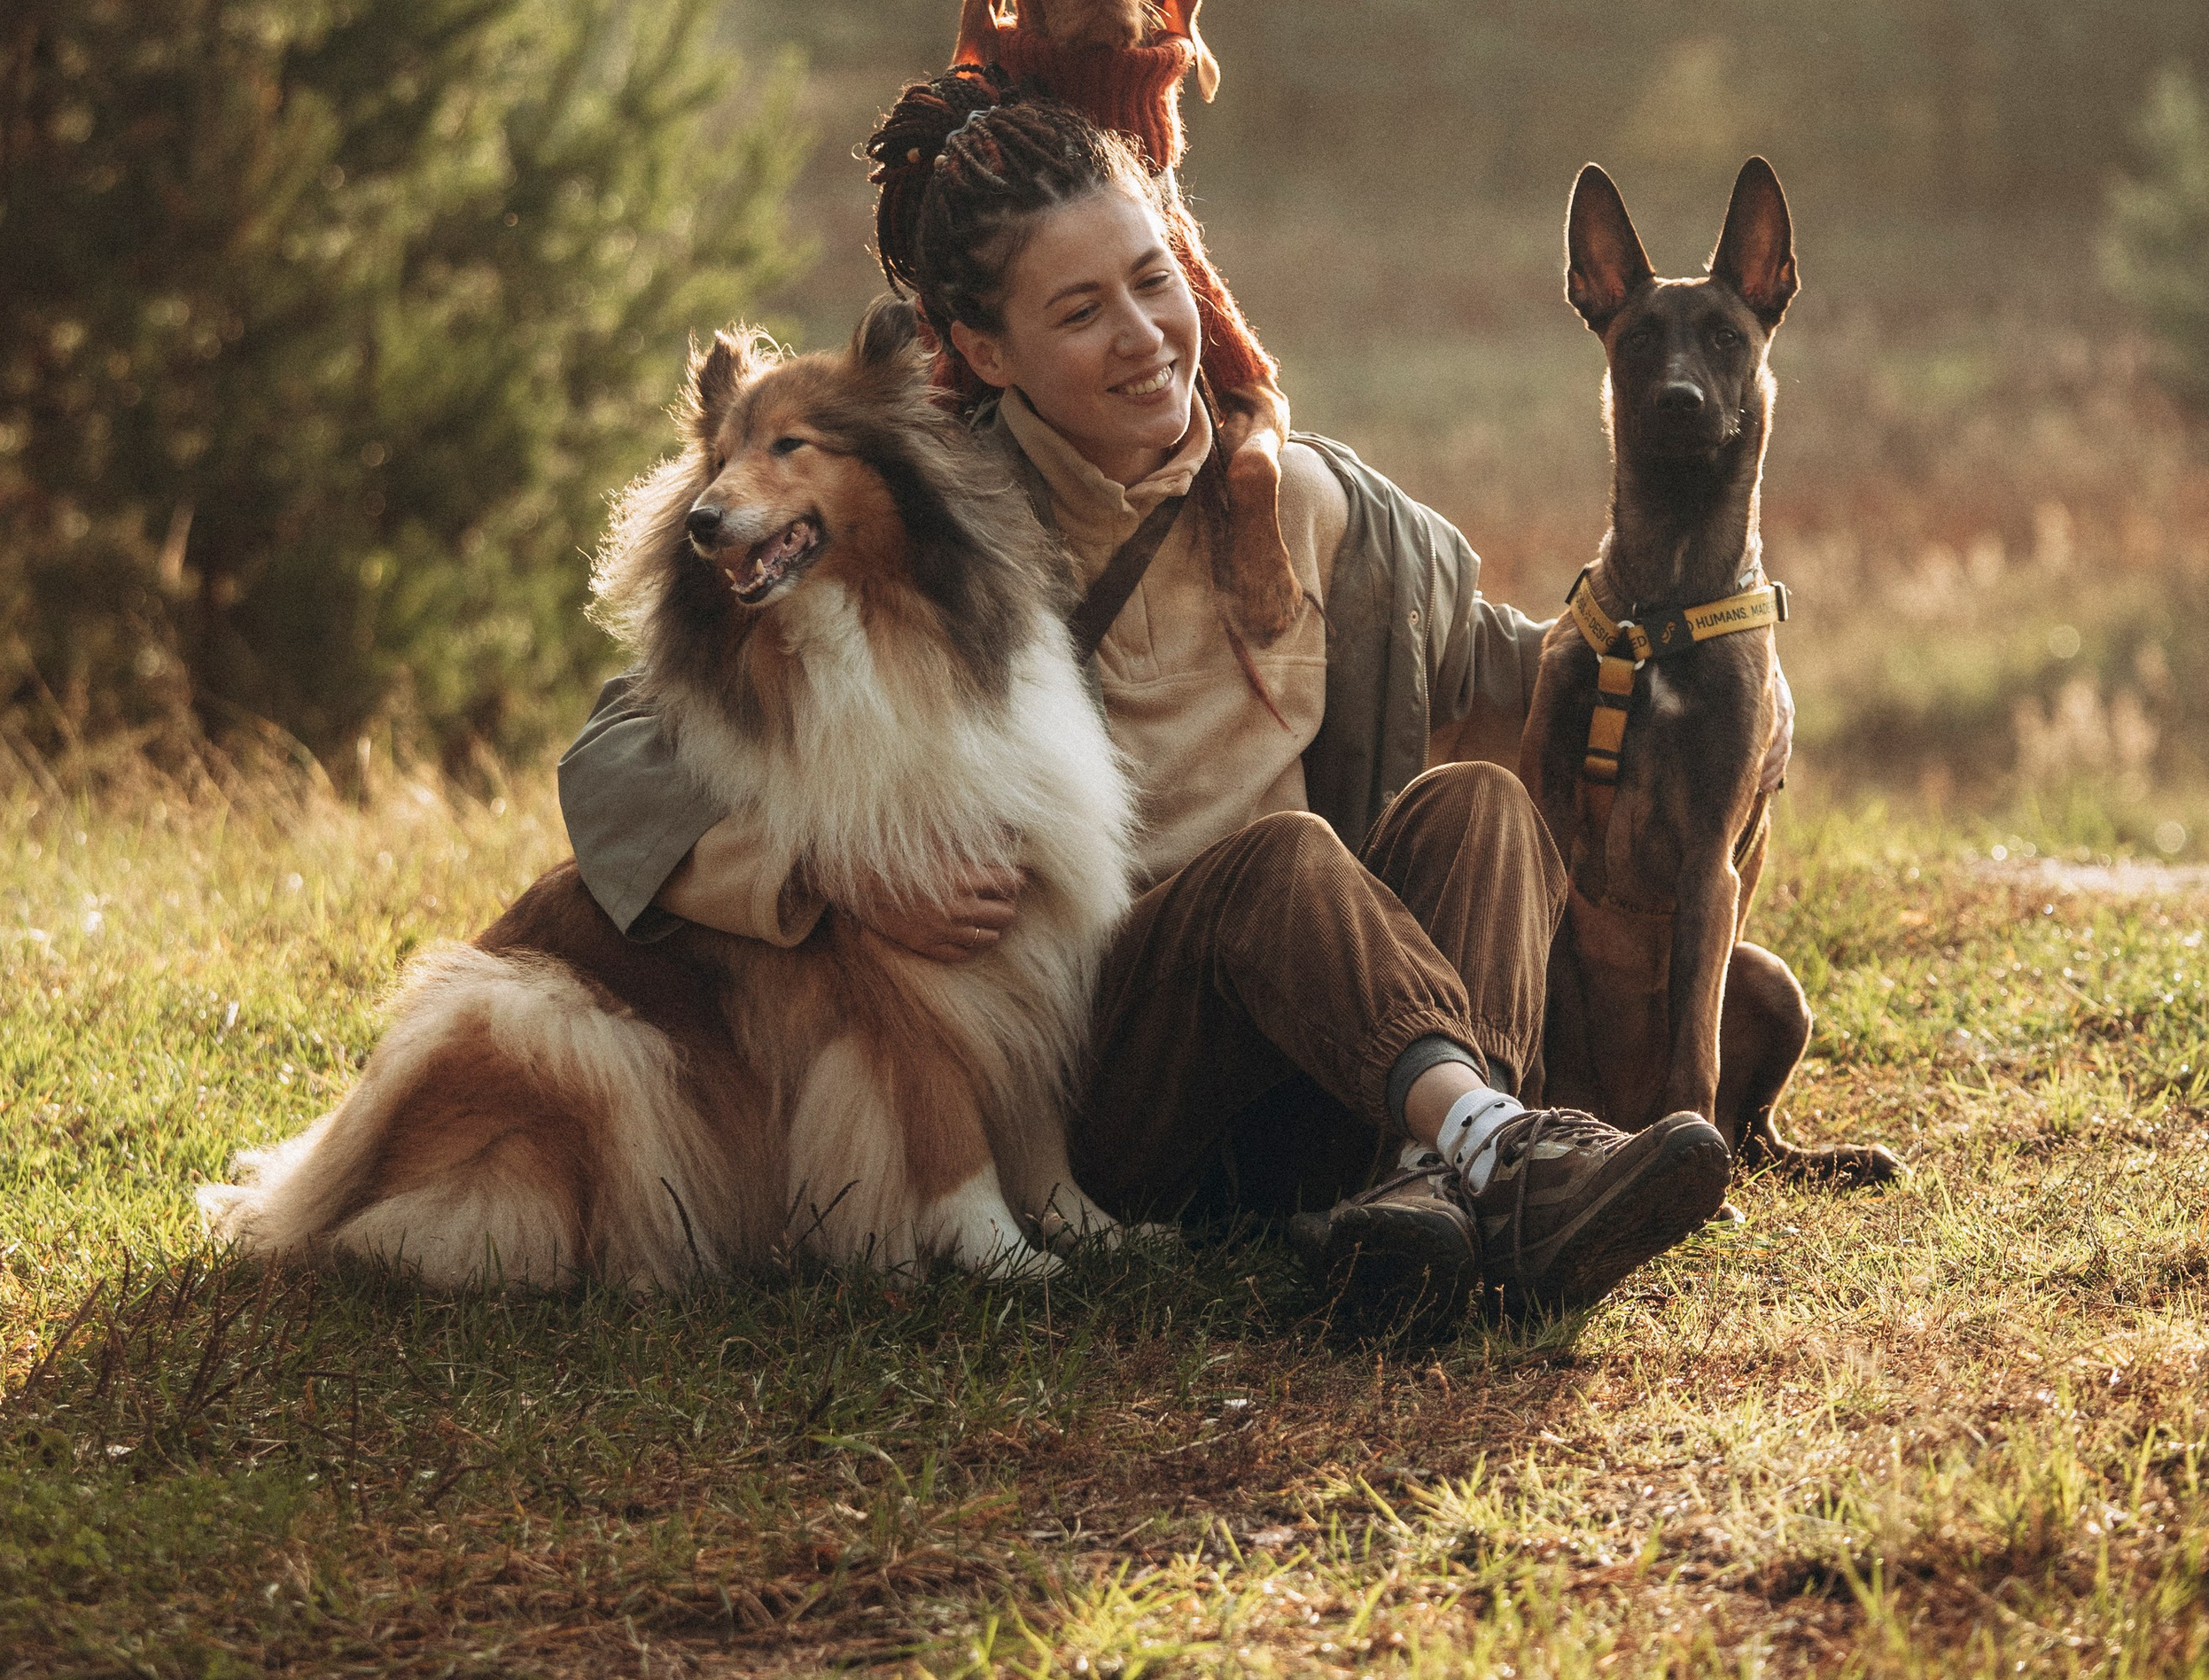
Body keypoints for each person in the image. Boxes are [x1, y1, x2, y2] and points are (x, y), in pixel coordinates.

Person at [556, 82, 1736, 1326]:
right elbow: (620, 757)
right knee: (1278, 860)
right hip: (1112, 1087)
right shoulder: (940, 532)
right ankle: (1502, 1159)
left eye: (1153, 278)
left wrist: (1714, 619)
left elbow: (1532, 667)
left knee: (1481, 808)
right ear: (983, 352)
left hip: (1344, 1050)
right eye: (1080, 311)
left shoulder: (1316, 504)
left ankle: (1427, 1199)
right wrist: (830, 881)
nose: (1144, 336)